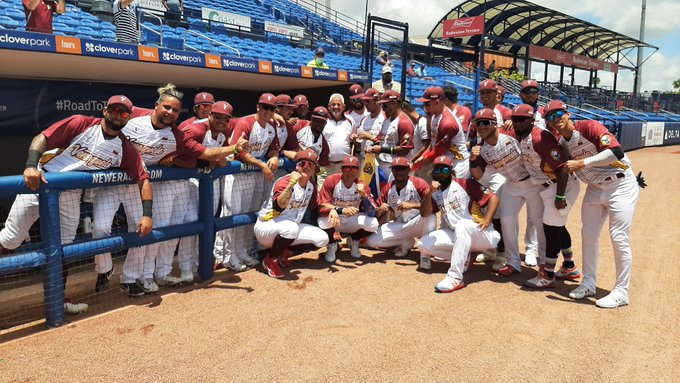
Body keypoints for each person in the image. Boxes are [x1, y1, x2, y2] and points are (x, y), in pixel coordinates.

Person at [0, 95, 152, 313]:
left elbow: (143, 178)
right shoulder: (80, 123)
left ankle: (57, 300)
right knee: (9, 240)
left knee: (63, 249)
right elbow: (42, 138)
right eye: (114, 110)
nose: (118, 115)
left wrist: (147, 214)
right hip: (41, 182)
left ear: (128, 117)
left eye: (124, 112)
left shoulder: (125, 148)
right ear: (105, 110)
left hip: (70, 193)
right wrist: (31, 165)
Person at [545, 100, 641, 308]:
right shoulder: (562, 143)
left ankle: (621, 292)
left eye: (558, 113)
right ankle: (588, 283)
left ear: (568, 113)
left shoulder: (589, 127)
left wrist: (583, 162)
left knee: (618, 237)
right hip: (595, 189)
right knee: (588, 235)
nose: (556, 119)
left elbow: (617, 152)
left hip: (620, 184)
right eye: (550, 117)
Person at [170, 101, 249, 283]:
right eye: (218, 117)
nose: (222, 121)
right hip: (184, 183)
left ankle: (200, 264)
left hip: (206, 183)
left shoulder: (223, 133)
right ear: (209, 116)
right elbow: (177, 160)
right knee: (188, 225)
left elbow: (222, 160)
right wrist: (211, 160)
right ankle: (185, 267)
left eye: (226, 118)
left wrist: (215, 159)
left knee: (206, 224)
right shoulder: (196, 130)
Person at [509, 104, 581, 289]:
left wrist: (559, 196)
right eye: (514, 119)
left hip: (561, 186)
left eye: (522, 119)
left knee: (550, 229)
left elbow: (562, 169)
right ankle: (569, 266)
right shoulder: (524, 136)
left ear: (531, 120)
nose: (517, 123)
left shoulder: (540, 138)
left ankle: (547, 275)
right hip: (549, 186)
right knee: (557, 227)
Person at [468, 108, 546, 277]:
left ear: (495, 124)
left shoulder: (512, 134)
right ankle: (513, 262)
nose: (481, 126)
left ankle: (545, 263)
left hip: (532, 182)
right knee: (506, 221)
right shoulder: (480, 148)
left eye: (485, 123)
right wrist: (472, 161)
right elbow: (478, 175)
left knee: (539, 222)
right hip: (511, 184)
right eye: (478, 123)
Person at [215, 93, 280, 271]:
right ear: (258, 107)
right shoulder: (246, 123)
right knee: (231, 215)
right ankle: (226, 256)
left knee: (246, 215)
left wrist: (274, 158)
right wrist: (262, 164)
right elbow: (238, 152)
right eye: (265, 107)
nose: (268, 111)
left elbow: (274, 149)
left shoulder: (272, 126)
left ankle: (241, 251)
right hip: (235, 175)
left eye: (272, 108)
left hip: (252, 176)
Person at [418, 155, 500, 293]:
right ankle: (466, 256)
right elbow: (424, 213)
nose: (441, 173)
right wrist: (429, 193)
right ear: (433, 173)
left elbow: (494, 198)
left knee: (462, 225)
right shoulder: (435, 193)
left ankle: (455, 277)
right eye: (437, 170)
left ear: (451, 172)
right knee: (423, 244)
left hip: (482, 233)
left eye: (445, 170)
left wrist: (487, 220)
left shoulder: (465, 184)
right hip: (460, 235)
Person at [255, 149, 329, 278]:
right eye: (303, 164)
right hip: (267, 226)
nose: (306, 167)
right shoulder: (284, 182)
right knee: (292, 229)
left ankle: (284, 251)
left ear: (314, 170)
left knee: (322, 239)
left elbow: (315, 207)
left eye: (310, 165)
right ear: (297, 166)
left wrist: (333, 210)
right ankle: (270, 259)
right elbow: (280, 205)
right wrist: (292, 183)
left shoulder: (311, 185)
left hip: (288, 228)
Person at [365, 157, 436, 257]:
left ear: (408, 170)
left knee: (430, 217)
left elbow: (433, 206)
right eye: (395, 169)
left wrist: (412, 205)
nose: (398, 172)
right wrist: (380, 210)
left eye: (402, 169)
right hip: (399, 225)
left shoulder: (419, 183)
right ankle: (406, 243)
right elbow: (376, 214)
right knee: (371, 241)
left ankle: (426, 254)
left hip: (417, 223)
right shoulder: (388, 188)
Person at [318, 155, 379, 262]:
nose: (350, 172)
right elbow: (321, 205)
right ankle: (332, 244)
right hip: (336, 218)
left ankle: (354, 240)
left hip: (352, 219)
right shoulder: (331, 180)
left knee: (373, 224)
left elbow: (373, 212)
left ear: (358, 170)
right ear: (341, 169)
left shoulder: (362, 185)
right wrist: (340, 210)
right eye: (347, 168)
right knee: (322, 222)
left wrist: (364, 196)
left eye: (354, 168)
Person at [412, 86, 469, 179]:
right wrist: (419, 159)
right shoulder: (435, 115)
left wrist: (417, 165)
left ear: (437, 102)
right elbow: (432, 144)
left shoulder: (447, 122)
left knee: (452, 192)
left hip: (457, 163)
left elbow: (437, 151)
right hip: (445, 162)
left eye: (427, 104)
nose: (424, 107)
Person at [365, 90, 415, 180]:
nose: (383, 108)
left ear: (394, 103)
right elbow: (381, 140)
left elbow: (405, 149)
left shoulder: (404, 122)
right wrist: (372, 146)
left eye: (385, 105)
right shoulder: (387, 120)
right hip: (383, 164)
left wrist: (381, 149)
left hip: (398, 168)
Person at [320, 93, 353, 185]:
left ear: (344, 107)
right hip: (325, 165)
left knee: (340, 192)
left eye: (339, 104)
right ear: (329, 106)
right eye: (333, 104)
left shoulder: (350, 120)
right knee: (322, 191)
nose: (336, 106)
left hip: (343, 166)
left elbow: (353, 137)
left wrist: (353, 137)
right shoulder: (322, 120)